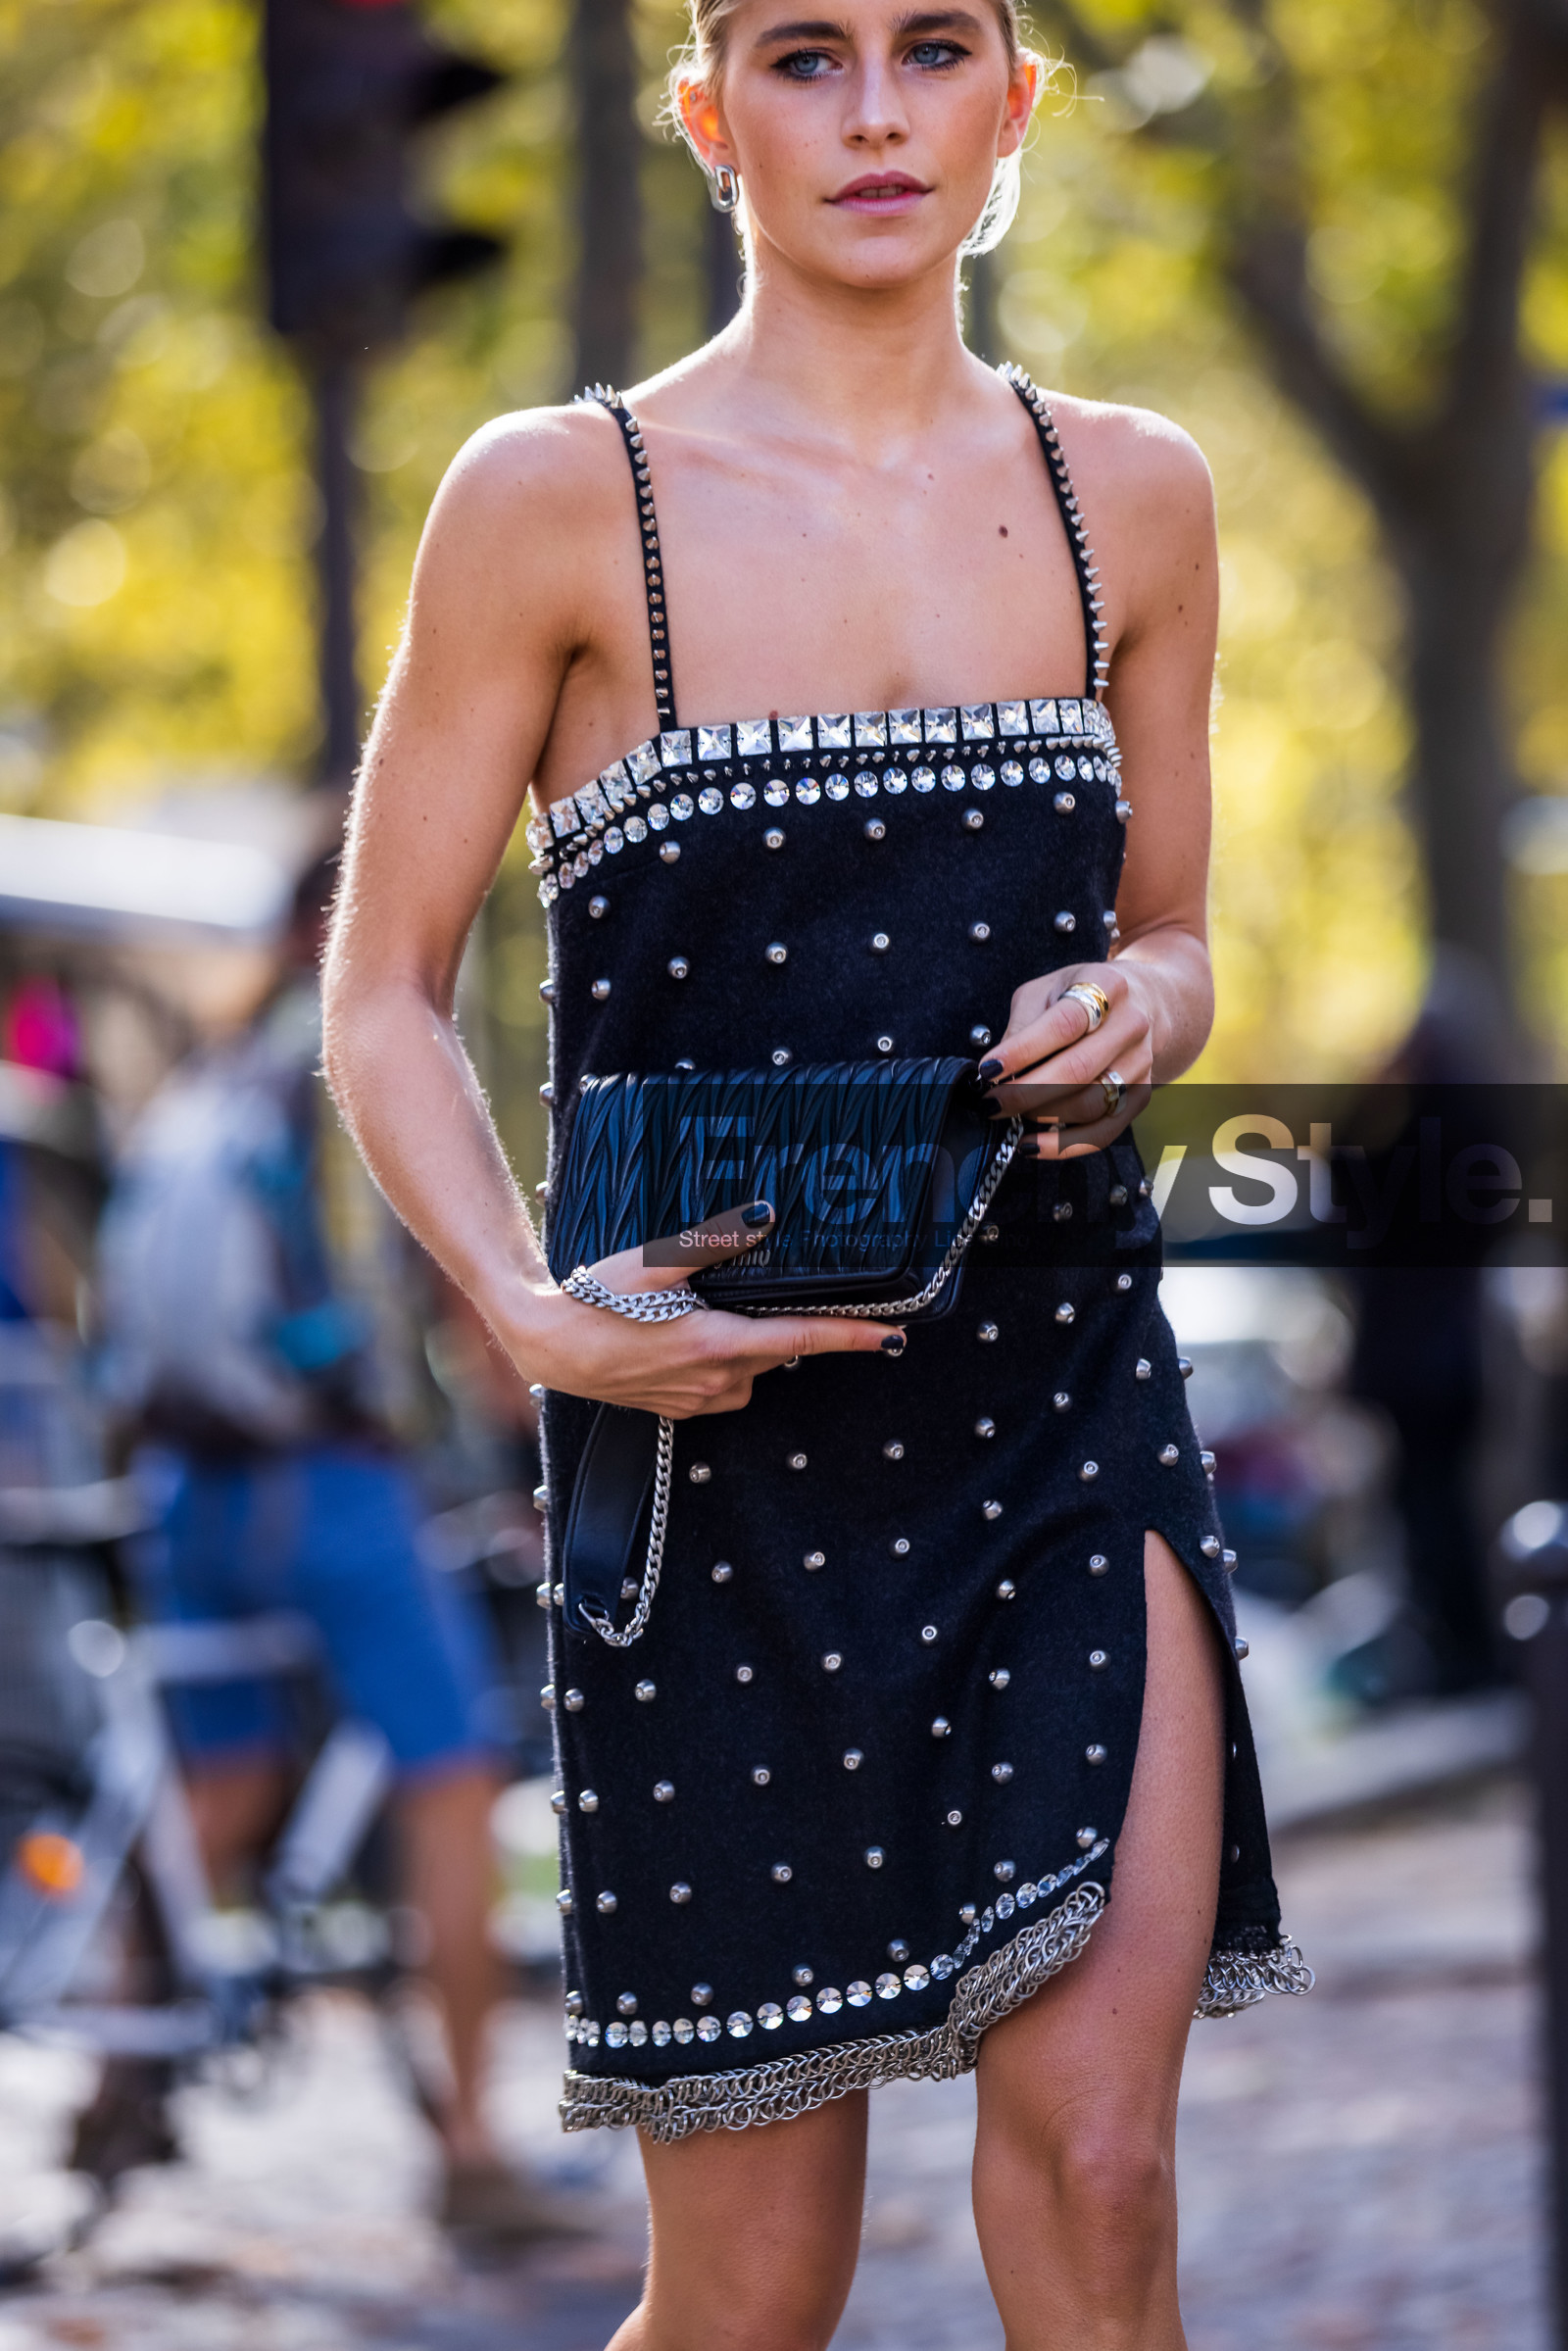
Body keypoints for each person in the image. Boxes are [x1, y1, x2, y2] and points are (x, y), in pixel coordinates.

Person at [322, 0, 1311, 2337]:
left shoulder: (1133, 493)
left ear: (1011, 100)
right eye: (801, 56)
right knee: (752, 2298)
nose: (872, 113)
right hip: (706, 1456)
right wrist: (527, 1311)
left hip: (1059, 1404)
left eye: (930, 48)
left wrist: (1148, 1006)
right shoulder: (553, 497)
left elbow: (1173, 929)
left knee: (1101, 2177)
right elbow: (381, 989)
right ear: (705, 114)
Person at [87, 858, 576, 2242]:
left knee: (228, 1784)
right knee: (450, 1782)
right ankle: (472, 2150)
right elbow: (467, 1291)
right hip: (331, 1487)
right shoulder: (364, 1054)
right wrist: (543, 1451)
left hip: (190, 1484)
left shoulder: (211, 1071)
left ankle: (116, 2064)